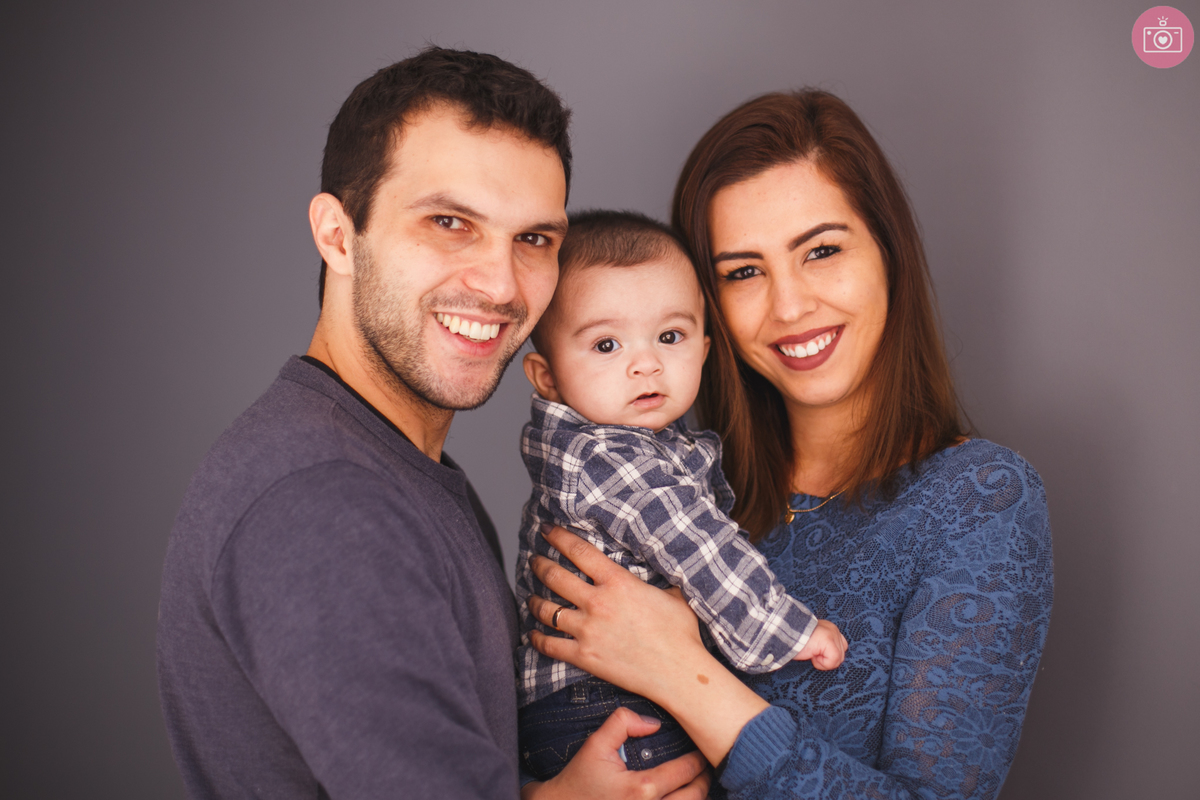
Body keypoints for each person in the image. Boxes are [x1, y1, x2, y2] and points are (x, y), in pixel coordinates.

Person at [156, 48, 707, 800]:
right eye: (450, 222)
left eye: (534, 239)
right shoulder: (323, 503)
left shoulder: (391, 467)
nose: (501, 284)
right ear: (338, 234)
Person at [523, 90, 1054, 799]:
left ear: (887, 253)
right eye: (744, 272)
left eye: (822, 251)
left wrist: (680, 672)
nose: (790, 306)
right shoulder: (684, 479)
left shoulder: (980, 501)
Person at [513, 210, 847, 780]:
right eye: (606, 344)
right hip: (599, 706)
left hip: (595, 703)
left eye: (670, 337)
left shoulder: (648, 446)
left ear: (705, 348)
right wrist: (787, 631)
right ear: (546, 377)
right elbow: (698, 547)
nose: (646, 364)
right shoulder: (606, 459)